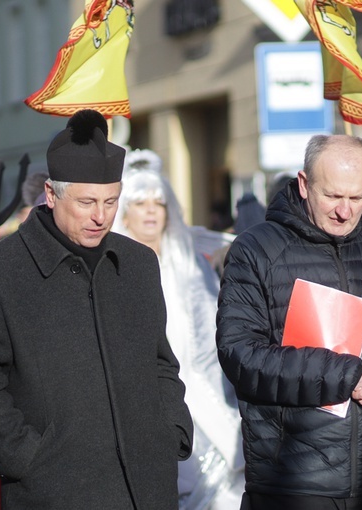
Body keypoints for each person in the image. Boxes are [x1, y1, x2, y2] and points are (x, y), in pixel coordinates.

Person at [0, 110, 193, 510]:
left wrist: (171, 431)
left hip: (148, 489)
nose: (100, 216)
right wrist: (29, 457)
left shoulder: (139, 263)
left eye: (111, 201)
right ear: (52, 194)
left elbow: (161, 363)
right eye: (87, 202)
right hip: (51, 494)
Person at [216, 134, 362, 510]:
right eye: (333, 197)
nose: (345, 211)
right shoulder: (256, 250)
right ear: (304, 184)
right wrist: (337, 373)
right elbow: (239, 353)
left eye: (357, 198)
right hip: (291, 479)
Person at [113, 149, 244, 509]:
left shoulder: (186, 264)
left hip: (203, 400)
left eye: (159, 202)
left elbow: (210, 334)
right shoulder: (114, 268)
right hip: (144, 406)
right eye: (141, 203)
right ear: (125, 210)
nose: (152, 210)